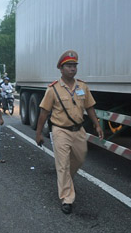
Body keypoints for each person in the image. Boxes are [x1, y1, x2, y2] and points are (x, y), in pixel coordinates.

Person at [35, 50, 104, 214]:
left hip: (78, 130)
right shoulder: (53, 89)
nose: (72, 69)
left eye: (74, 66)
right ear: (61, 68)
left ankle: (66, 182)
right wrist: (38, 133)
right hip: (60, 131)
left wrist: (97, 125)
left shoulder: (82, 87)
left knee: (79, 158)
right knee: (63, 164)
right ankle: (67, 198)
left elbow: (90, 107)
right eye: (69, 66)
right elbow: (44, 113)